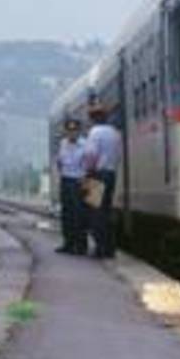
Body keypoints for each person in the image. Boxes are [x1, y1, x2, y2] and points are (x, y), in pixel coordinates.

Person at [82, 102, 123, 259]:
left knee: (95, 212)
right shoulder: (114, 133)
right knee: (106, 211)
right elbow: (118, 156)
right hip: (111, 174)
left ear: (94, 118)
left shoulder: (95, 132)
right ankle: (110, 248)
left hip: (96, 174)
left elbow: (91, 154)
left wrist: (88, 172)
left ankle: (100, 248)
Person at [54, 118, 90, 255]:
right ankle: (68, 244)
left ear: (79, 131)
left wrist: (84, 179)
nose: (71, 133)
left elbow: (89, 164)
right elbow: (59, 161)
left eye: (74, 130)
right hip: (66, 180)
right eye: (69, 130)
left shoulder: (85, 145)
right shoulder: (63, 144)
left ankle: (81, 245)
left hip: (79, 181)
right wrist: (62, 174)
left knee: (80, 215)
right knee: (67, 214)